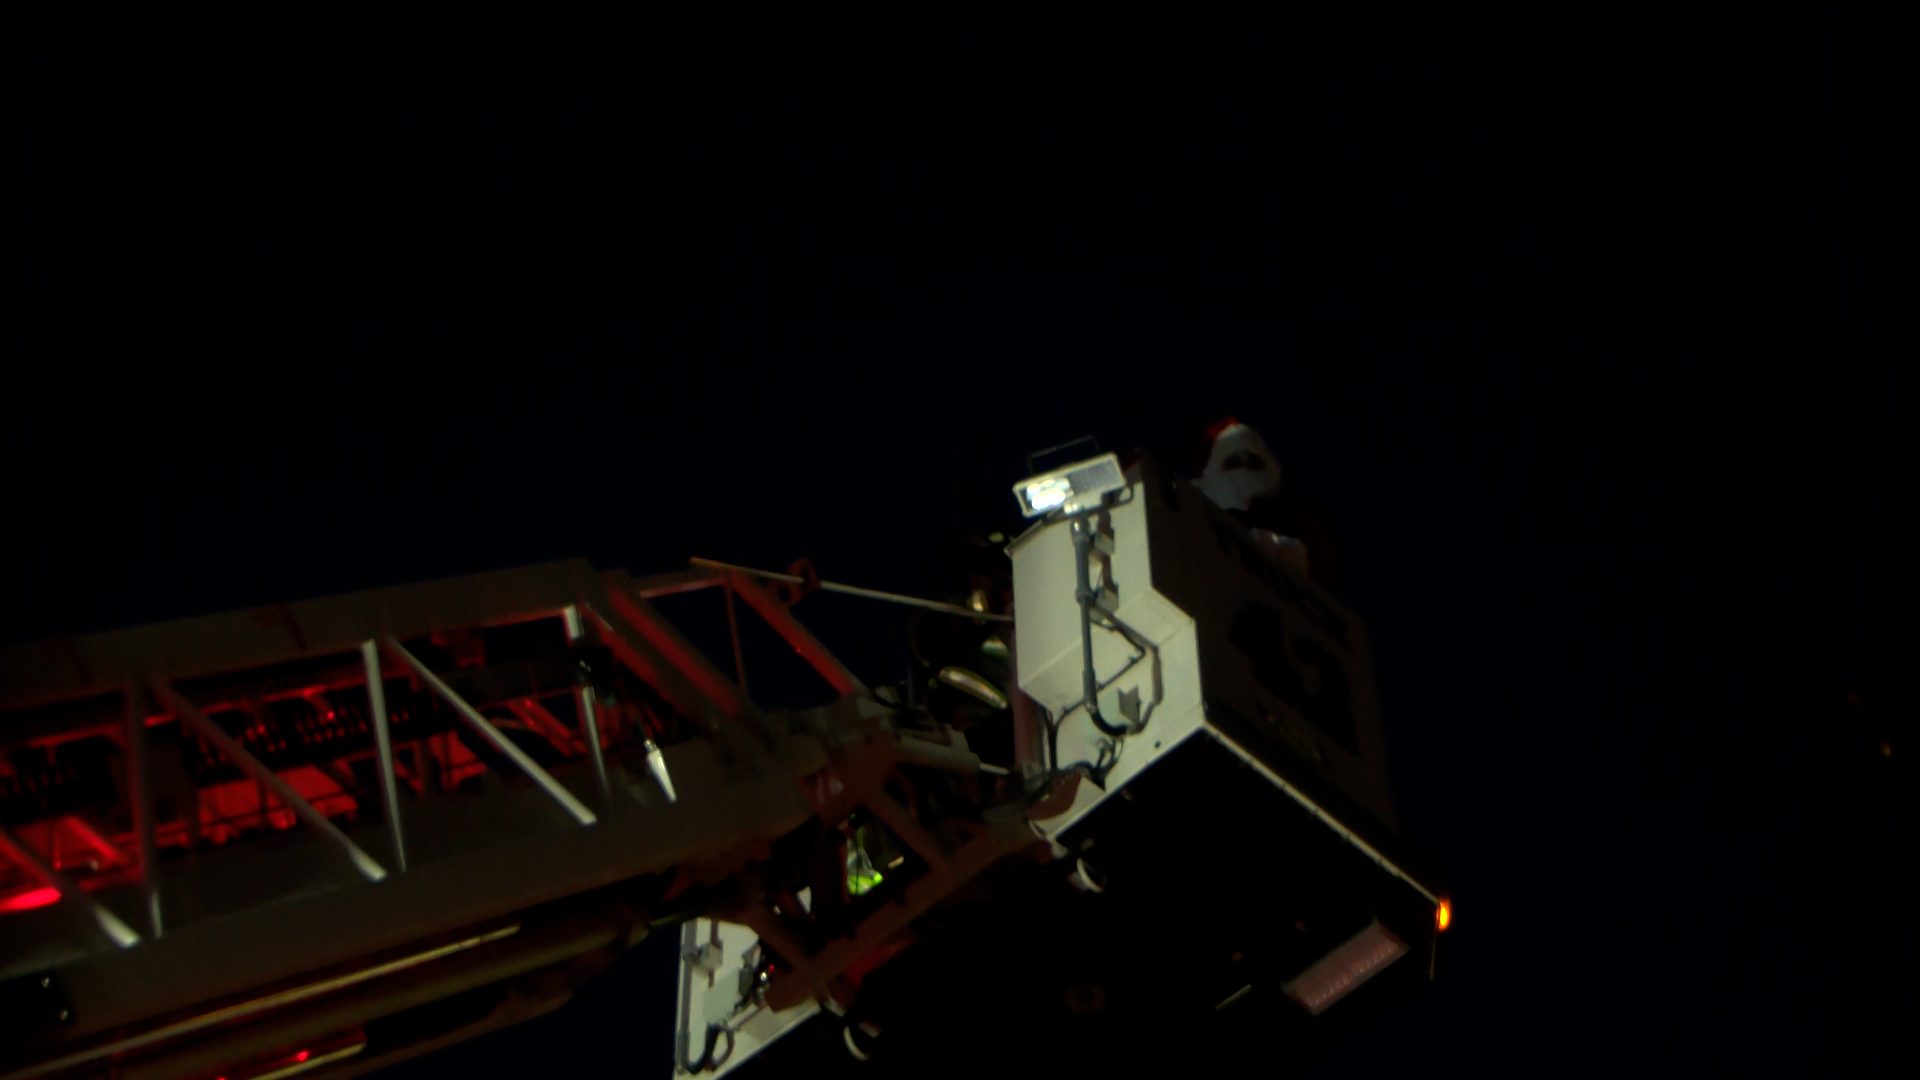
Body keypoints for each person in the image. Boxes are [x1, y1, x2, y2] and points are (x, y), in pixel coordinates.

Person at [1191, 418, 1340, 591]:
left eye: (1253, 463)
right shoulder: (1194, 517)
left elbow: (1323, 565)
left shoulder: (1295, 517)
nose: (1245, 469)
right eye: (1234, 462)